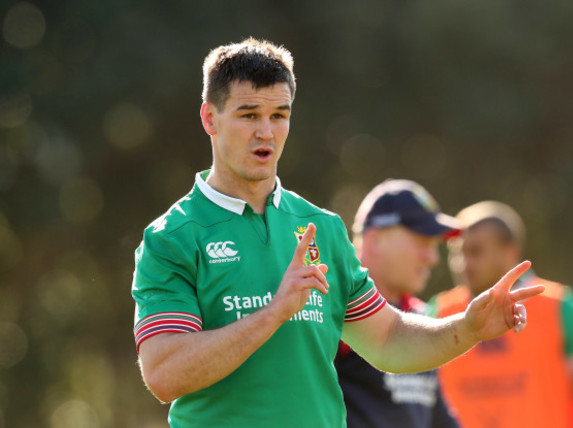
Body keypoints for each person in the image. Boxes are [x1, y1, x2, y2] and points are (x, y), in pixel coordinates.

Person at [130, 38, 544, 428]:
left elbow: (389, 340)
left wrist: (467, 327)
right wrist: (275, 312)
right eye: (248, 114)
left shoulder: (321, 229)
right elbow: (165, 374)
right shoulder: (171, 238)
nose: (266, 132)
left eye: (279, 115)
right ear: (210, 118)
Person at [429, 201, 573, 428]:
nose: (463, 264)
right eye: (457, 253)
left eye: (475, 251)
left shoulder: (564, 310)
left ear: (510, 251)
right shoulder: (437, 312)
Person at [335, 179, 460, 428]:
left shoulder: (422, 315)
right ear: (376, 240)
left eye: (435, 245)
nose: (433, 258)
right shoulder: (334, 307)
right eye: (423, 241)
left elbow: (435, 416)